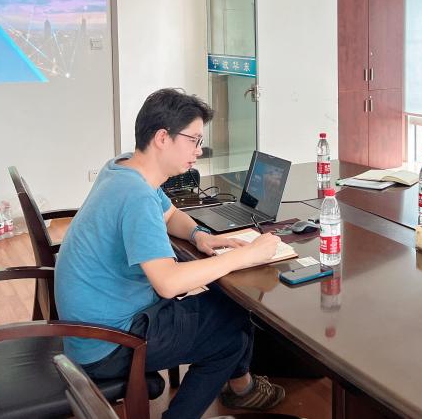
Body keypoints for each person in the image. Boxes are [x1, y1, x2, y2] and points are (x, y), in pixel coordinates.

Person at [55, 88, 286, 418]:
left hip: (93, 327)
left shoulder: (123, 167)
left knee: (229, 308)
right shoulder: (135, 195)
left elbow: (170, 214)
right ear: (162, 138)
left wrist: (199, 236)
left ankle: (243, 390)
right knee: (229, 334)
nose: (199, 150)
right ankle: (226, 396)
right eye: (194, 140)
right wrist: (244, 256)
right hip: (108, 344)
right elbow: (167, 283)